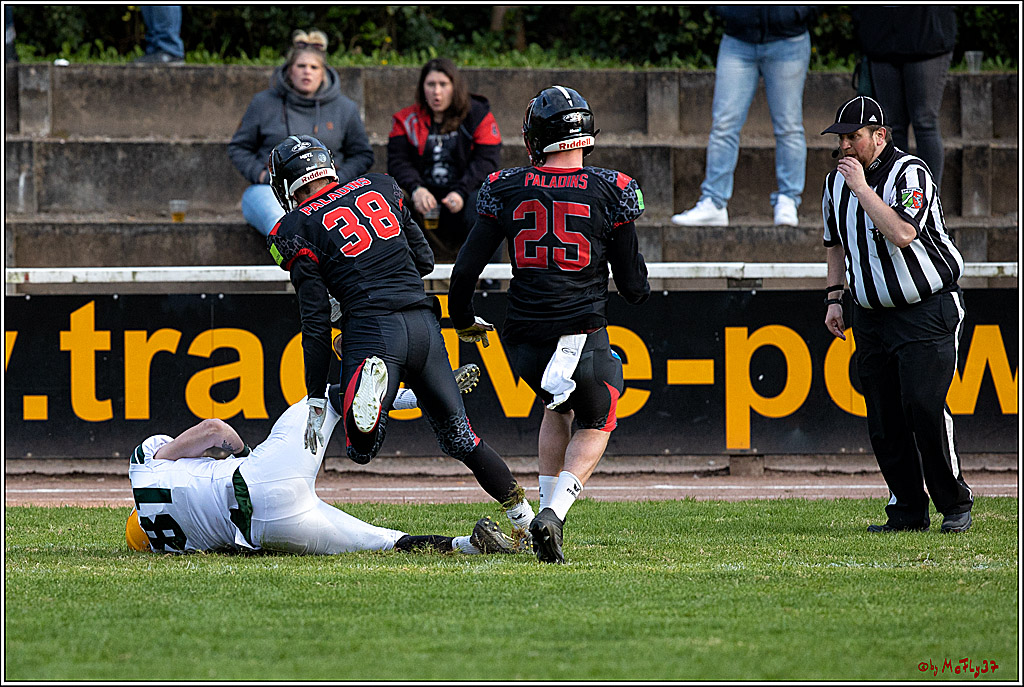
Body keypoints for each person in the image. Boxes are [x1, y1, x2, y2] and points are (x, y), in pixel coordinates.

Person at [265, 134, 536, 543]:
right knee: (462, 438)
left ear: (286, 185)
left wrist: (316, 397)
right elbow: (425, 260)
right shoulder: (381, 186)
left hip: (373, 329)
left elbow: (316, 322)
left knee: (361, 448)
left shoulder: (293, 228)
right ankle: (525, 520)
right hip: (425, 322)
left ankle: (371, 394)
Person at [448, 86, 651, 563]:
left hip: (524, 344)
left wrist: (461, 320)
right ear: (585, 136)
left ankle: (543, 511)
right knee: (599, 416)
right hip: (582, 333)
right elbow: (633, 284)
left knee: (556, 408)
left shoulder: (506, 185)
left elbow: (464, 270)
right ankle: (553, 514)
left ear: (536, 138)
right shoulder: (613, 187)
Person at [126, 376, 515, 556]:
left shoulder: (172, 547)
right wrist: (241, 452)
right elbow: (214, 430)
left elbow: (230, 549)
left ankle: (470, 547)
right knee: (327, 398)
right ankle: (418, 397)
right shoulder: (142, 469)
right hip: (253, 476)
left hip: (270, 527)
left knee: (386, 541)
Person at [821, 95, 972, 534]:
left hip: (925, 308)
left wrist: (863, 189)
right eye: (842, 138)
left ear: (879, 136)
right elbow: (834, 242)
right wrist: (835, 298)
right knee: (884, 418)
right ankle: (906, 508)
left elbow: (904, 234)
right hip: (870, 314)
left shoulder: (911, 173)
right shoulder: (835, 184)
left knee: (923, 407)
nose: (846, 146)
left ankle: (954, 502)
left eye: (854, 137)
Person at [671, 5, 817, 228]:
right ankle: (714, 202)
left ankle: (788, 200)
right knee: (724, 124)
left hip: (789, 39)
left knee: (788, 125)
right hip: (738, 38)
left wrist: (796, 12)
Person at [228, 30, 374, 237]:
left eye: (314, 67)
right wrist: (260, 175)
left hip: (330, 192)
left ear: (323, 72)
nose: (307, 72)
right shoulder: (262, 103)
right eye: (301, 66)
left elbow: (363, 155)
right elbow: (239, 147)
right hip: (269, 192)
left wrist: (335, 181)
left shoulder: (346, 108)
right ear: (289, 70)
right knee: (279, 222)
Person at [386, 57, 502, 263]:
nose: (436, 92)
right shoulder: (405, 120)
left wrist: (461, 191)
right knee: (390, 199)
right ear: (422, 88)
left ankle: (489, 282)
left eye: (443, 85)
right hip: (423, 198)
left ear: (454, 87)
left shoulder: (478, 114)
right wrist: (416, 189)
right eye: (431, 85)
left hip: (464, 194)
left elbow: (487, 161)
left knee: (487, 201)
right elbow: (397, 161)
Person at [851, 6, 956, 189]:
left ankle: (928, 199)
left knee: (924, 122)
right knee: (891, 126)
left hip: (926, 37)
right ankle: (895, 194)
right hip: (880, 39)